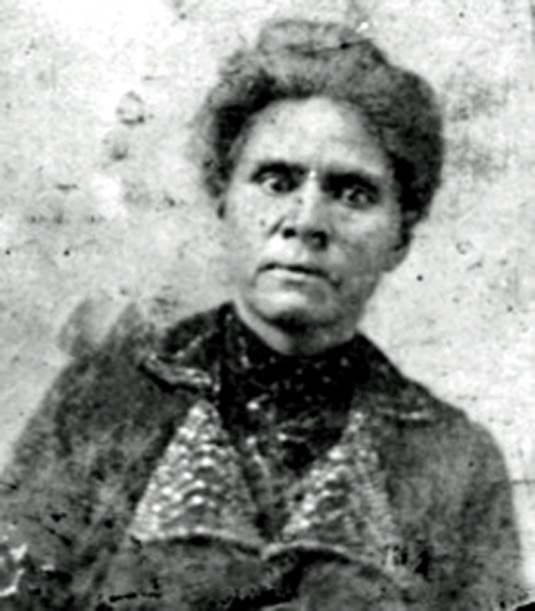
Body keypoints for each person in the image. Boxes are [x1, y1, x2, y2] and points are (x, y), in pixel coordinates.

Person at [0, 19, 526, 610]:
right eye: (276, 181)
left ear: (400, 236)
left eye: (352, 193)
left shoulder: (454, 460)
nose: (306, 221)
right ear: (223, 200)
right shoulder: (100, 408)